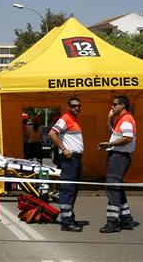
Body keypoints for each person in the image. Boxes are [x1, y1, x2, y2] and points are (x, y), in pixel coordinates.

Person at [97, 95, 139, 233]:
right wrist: (109, 118)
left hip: (119, 157)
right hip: (117, 156)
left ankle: (113, 222)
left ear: (123, 106)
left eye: (115, 104)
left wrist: (109, 144)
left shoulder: (126, 119)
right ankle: (126, 219)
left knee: (113, 188)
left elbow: (127, 138)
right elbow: (111, 132)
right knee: (117, 187)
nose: (112, 106)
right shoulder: (121, 119)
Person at [49, 97, 85, 232]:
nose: (76, 108)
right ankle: (66, 222)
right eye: (73, 106)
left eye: (78, 106)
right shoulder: (65, 118)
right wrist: (64, 149)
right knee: (68, 189)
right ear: (68, 106)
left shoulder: (74, 120)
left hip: (75, 159)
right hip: (70, 159)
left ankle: (70, 217)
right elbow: (52, 133)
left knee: (73, 190)